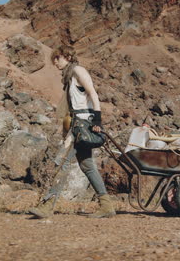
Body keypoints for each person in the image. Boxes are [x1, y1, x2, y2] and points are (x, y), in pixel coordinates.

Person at [28, 45, 115, 219]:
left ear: (67, 56)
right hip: (77, 122)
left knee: (61, 162)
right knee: (87, 165)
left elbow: (93, 94)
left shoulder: (78, 71)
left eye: (57, 58)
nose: (55, 62)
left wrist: (97, 121)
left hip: (82, 124)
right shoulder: (69, 75)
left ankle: (46, 206)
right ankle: (107, 206)